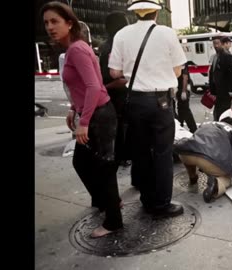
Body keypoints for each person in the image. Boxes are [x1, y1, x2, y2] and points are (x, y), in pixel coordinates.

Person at [41, 1, 122, 238]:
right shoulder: (75, 49)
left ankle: (113, 220)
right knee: (84, 162)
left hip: (99, 116)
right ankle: (109, 203)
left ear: (69, 23)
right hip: (93, 113)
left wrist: (84, 121)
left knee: (102, 166)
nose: (49, 27)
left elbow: (93, 86)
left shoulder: (77, 49)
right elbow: (82, 86)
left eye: (55, 21)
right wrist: (72, 110)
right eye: (46, 22)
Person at [108, 0, 187, 218]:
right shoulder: (167, 33)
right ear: (155, 13)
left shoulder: (122, 34)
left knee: (141, 152)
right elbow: (178, 71)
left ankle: (147, 198)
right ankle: (161, 204)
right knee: (162, 153)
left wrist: (134, 71)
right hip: (161, 101)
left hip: (135, 100)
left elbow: (114, 73)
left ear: (135, 14)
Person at [174, 117, 232, 203]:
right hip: (208, 160)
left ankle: (192, 176)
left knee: (193, 152)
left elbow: (195, 136)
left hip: (185, 154)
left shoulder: (207, 124)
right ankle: (217, 184)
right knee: (228, 177)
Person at [99, 11, 131, 167]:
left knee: (119, 126)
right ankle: (122, 155)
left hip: (112, 93)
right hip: (118, 93)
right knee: (122, 126)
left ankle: (120, 155)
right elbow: (118, 78)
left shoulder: (107, 45)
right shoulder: (115, 46)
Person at [209, 36, 232, 121]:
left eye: (218, 43)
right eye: (214, 44)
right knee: (217, 111)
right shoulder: (215, 57)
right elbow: (212, 73)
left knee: (224, 111)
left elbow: (231, 74)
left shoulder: (227, 56)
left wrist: (231, 90)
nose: (216, 46)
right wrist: (212, 90)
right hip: (217, 90)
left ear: (222, 44)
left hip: (225, 90)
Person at [175, 61, 197, 133]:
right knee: (181, 109)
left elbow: (185, 77)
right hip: (181, 89)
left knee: (185, 110)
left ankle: (193, 128)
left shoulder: (181, 63)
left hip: (182, 89)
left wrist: (183, 91)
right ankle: (180, 125)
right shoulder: (182, 62)